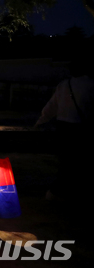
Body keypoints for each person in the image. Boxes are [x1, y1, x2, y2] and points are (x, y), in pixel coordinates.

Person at [35, 58, 94, 200]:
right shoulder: (91, 85)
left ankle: (56, 192)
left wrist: (40, 122)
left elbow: (51, 107)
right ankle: (65, 191)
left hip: (62, 127)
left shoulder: (64, 85)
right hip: (79, 128)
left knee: (66, 161)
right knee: (77, 162)